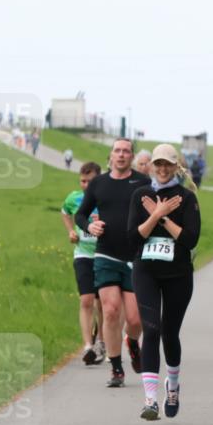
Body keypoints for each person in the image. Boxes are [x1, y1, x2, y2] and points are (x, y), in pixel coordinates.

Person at [127, 143, 201, 420]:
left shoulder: (186, 197)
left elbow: (190, 238)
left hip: (178, 274)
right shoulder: (140, 195)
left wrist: (163, 217)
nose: (162, 169)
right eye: (157, 164)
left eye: (167, 164)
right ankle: (150, 400)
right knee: (151, 328)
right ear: (151, 167)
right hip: (145, 270)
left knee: (170, 334)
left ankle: (172, 386)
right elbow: (133, 238)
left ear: (175, 166)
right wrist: (155, 215)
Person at [75, 138, 149, 388]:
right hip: (105, 255)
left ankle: (133, 342)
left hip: (135, 256)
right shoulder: (99, 183)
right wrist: (89, 225)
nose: (121, 155)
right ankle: (116, 368)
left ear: (131, 156)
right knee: (110, 310)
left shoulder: (142, 182)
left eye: (126, 151)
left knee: (135, 319)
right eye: (117, 151)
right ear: (111, 156)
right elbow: (80, 214)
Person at [62, 161, 105, 365]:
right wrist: (71, 231)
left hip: (104, 256)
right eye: (82, 181)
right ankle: (88, 346)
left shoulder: (106, 197)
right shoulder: (74, 198)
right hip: (83, 255)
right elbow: (64, 212)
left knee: (103, 304)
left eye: (90, 181)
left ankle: (103, 342)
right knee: (86, 300)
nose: (86, 185)